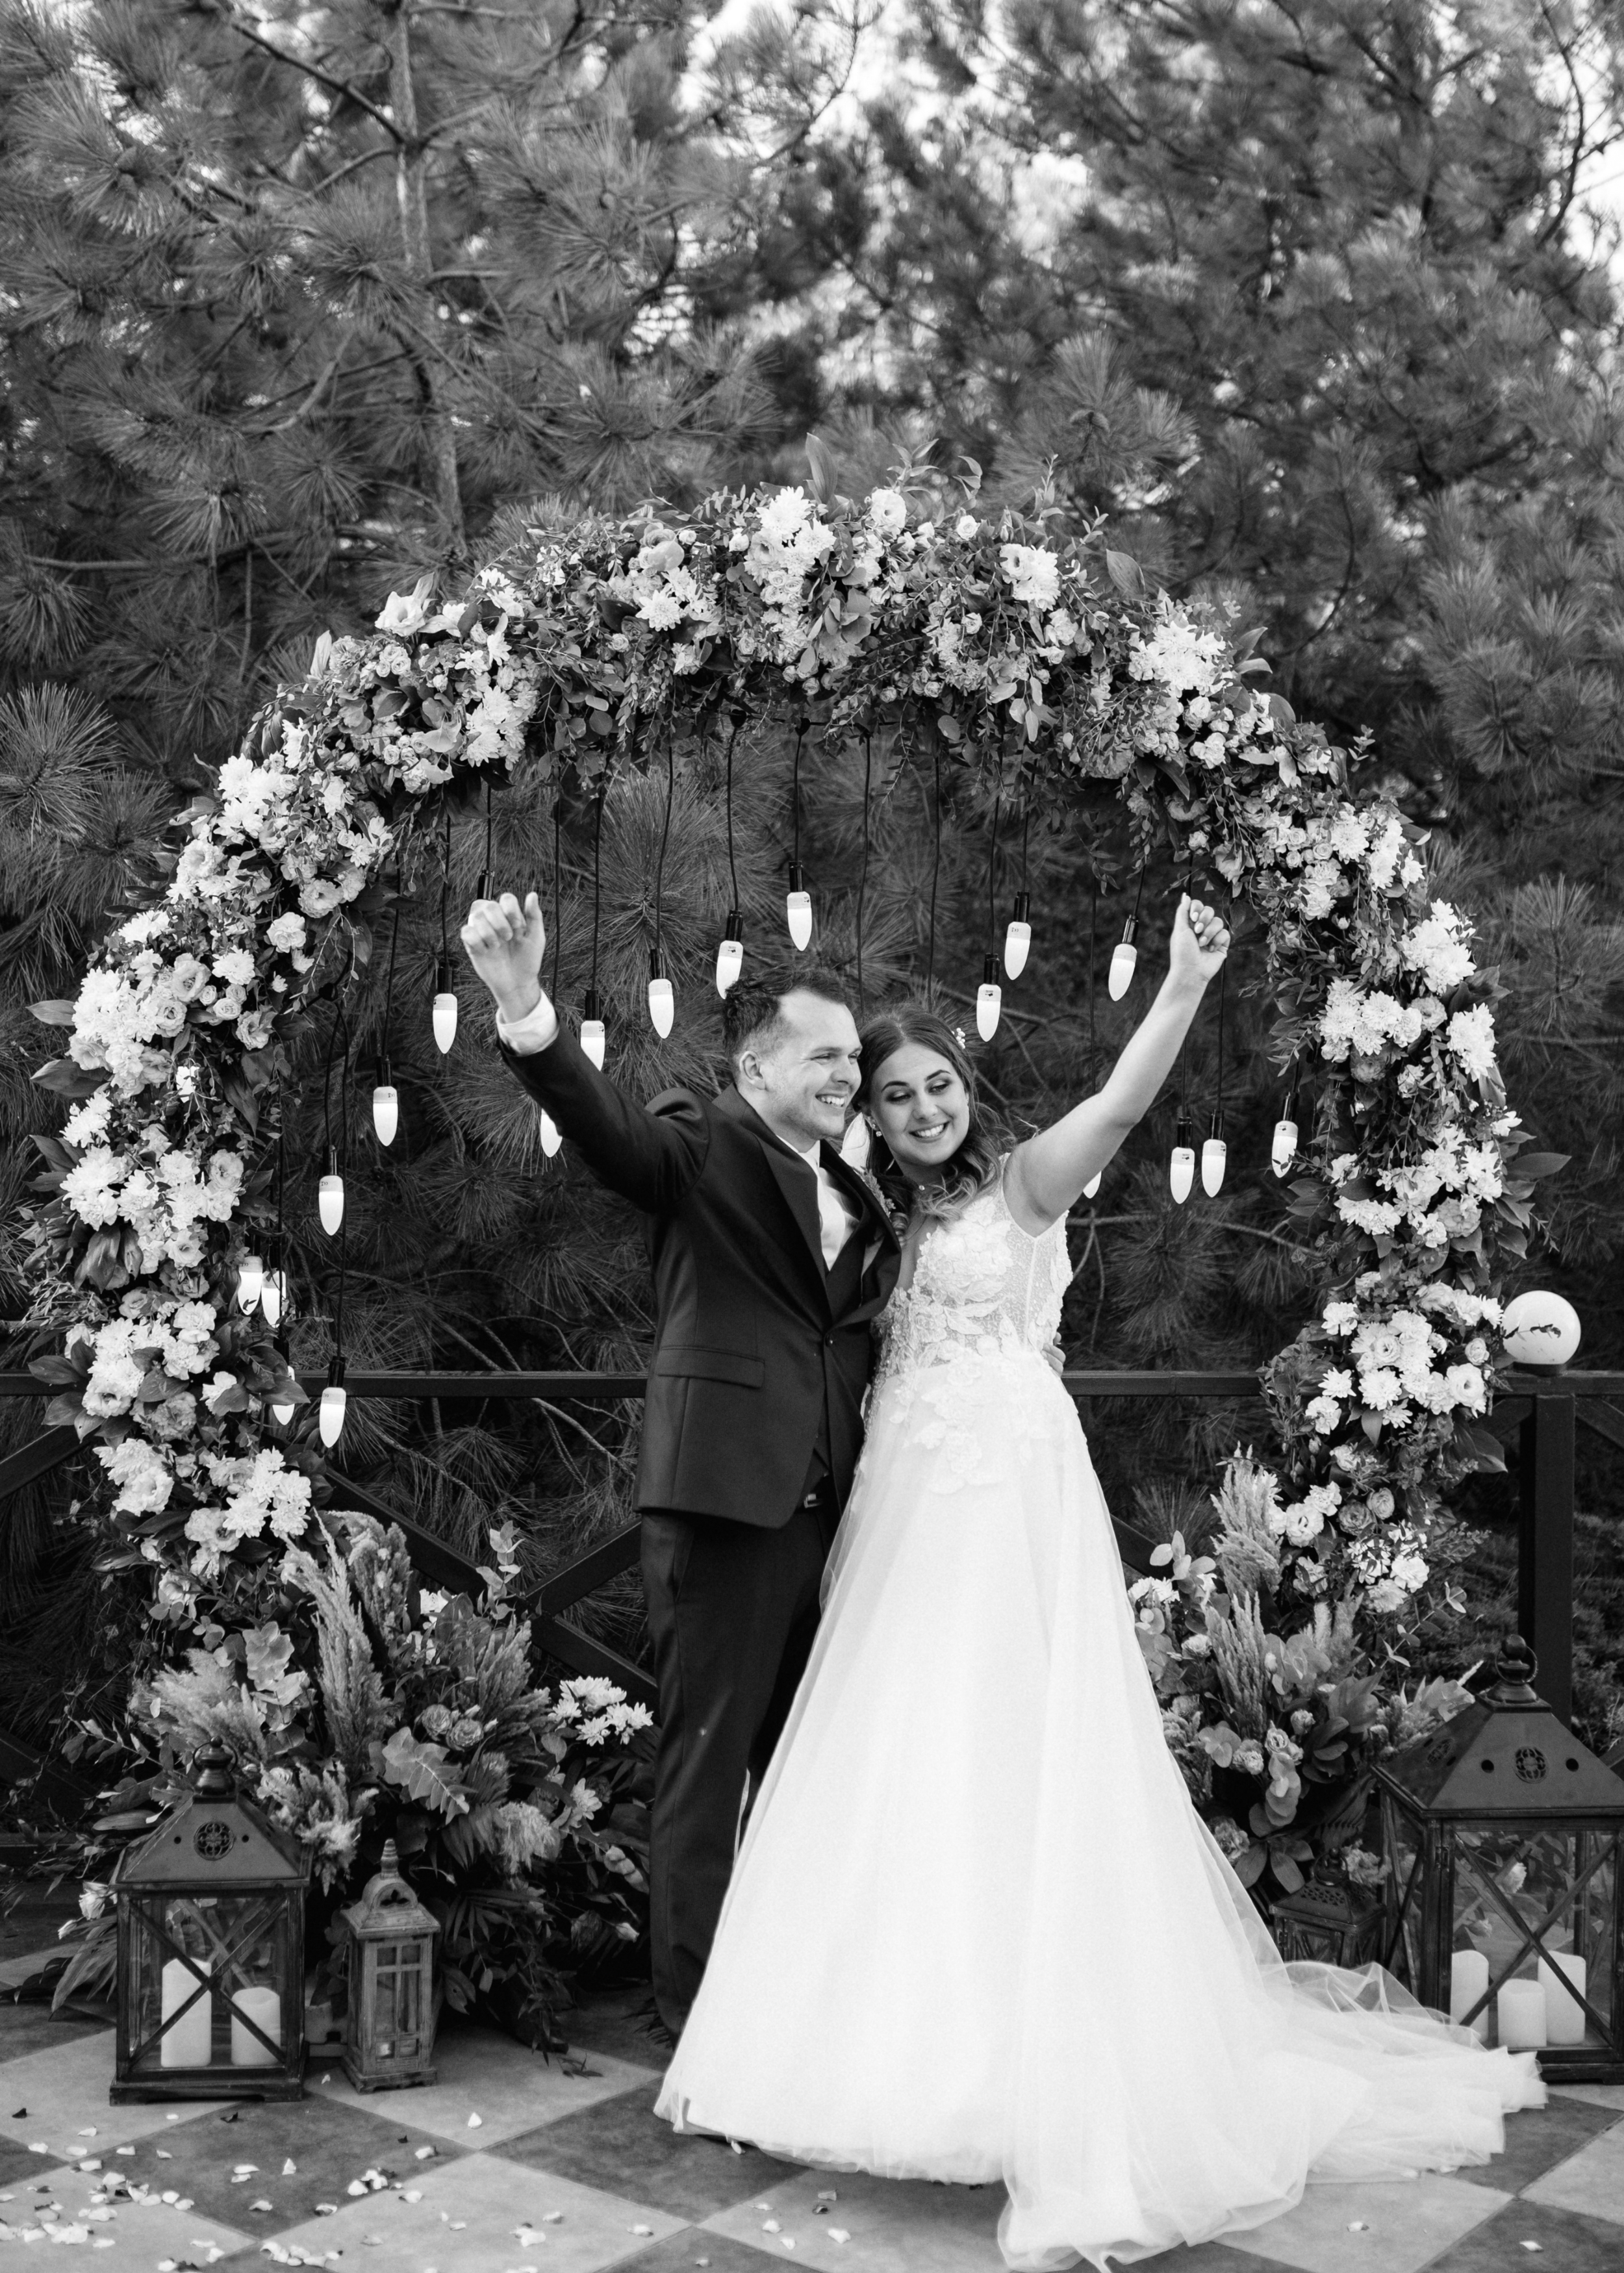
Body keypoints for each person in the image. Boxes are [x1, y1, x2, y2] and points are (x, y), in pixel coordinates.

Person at [655, 896, 1542, 2271]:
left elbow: (1123, 1107)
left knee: (1016, 1736)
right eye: (892, 1096)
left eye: (936, 1083)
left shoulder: (1024, 1185)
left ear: (967, 1087)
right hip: (894, 1499)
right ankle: (870, 2038)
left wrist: (1183, 984)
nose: (920, 1105)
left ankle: (1039, 2048)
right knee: (893, 1745)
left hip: (1006, 1493)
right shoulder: (870, 1208)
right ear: (872, 1123)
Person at [458, 889, 901, 2040]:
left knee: (814, 1771)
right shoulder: (703, 1141)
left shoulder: (859, 1187)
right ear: (756, 1070)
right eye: (823, 1055)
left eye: (854, 1055)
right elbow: (613, 1133)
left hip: (835, 1521)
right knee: (705, 1774)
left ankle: (800, 2004)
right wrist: (527, 1011)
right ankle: (699, 2026)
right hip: (723, 1506)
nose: (848, 1072)